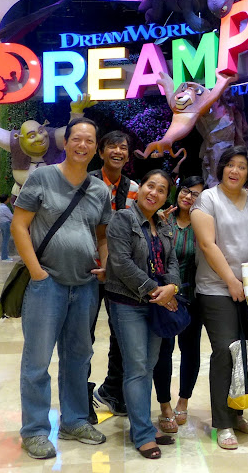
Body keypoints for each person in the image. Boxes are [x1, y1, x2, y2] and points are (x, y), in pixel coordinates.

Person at [12, 118, 112, 460]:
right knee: (37, 361)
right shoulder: (42, 177)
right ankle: (35, 430)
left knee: (78, 358)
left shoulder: (99, 190)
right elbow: (19, 225)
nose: (82, 145)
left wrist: (104, 265)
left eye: (89, 140)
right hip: (47, 284)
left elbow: (102, 235)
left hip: (85, 285)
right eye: (77, 139)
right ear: (66, 143)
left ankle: (74, 421)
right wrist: (37, 272)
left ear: (95, 148)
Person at [104, 169, 181, 459]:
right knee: (136, 368)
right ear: (141, 188)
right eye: (151, 186)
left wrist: (172, 287)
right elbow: (120, 263)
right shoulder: (123, 219)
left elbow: (172, 260)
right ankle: (143, 434)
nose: (154, 193)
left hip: (156, 304)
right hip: (128, 303)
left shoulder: (162, 224)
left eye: (161, 190)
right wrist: (155, 290)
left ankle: (144, 425)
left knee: (148, 366)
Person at [191, 145, 248, 450]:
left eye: (242, 166)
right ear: (221, 168)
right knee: (224, 350)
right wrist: (231, 281)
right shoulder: (208, 199)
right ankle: (222, 423)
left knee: (245, 352)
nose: (235, 170)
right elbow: (207, 245)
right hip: (216, 288)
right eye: (230, 164)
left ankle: (237, 414)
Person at [89, 130, 139, 422]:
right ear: (101, 152)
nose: (118, 151)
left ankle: (113, 389)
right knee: (83, 335)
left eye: (123, 147)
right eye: (112, 147)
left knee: (121, 335)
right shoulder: (87, 183)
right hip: (86, 269)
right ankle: (81, 398)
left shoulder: (133, 188)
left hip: (120, 273)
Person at [153, 176, 205, 433]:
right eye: (186, 190)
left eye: (196, 194)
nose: (189, 197)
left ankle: (183, 401)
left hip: (193, 296)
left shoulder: (203, 224)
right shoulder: (163, 219)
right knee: (163, 352)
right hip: (163, 296)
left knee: (190, 350)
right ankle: (165, 405)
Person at [0, 194, 14, 262]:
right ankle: (4, 257)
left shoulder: (0, 206)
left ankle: (4, 256)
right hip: (6, 224)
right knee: (6, 240)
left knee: (4, 240)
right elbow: (11, 217)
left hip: (2, 223)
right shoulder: (5, 208)